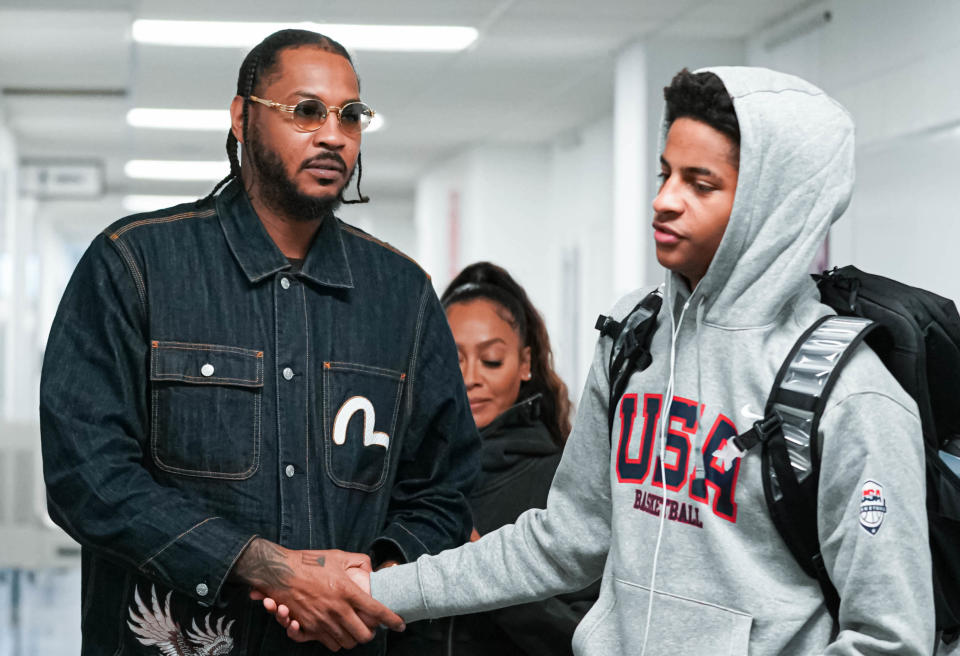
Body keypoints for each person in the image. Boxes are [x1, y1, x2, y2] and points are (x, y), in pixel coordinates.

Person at [356, 67, 934, 654]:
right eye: (665, 174)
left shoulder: (851, 394)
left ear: (771, 205)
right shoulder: (635, 336)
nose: (663, 202)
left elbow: (889, 639)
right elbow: (562, 542)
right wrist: (379, 590)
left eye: (699, 184)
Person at [39, 28, 480, 655]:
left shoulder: (402, 295)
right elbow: (87, 476)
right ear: (242, 118)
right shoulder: (134, 264)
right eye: (306, 111)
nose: (333, 134)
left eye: (351, 115)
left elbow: (444, 485)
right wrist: (261, 565)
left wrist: (374, 574)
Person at [386, 262, 595, 655]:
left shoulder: (562, 483)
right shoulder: (395, 478)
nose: (470, 377)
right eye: (452, 357)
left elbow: (587, 637)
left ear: (526, 364)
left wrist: (490, 570)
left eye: (492, 360)